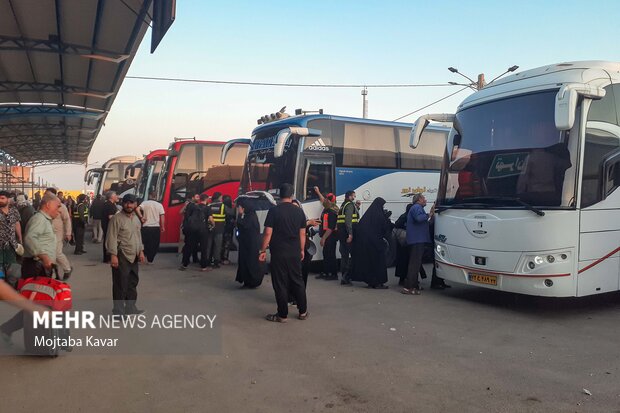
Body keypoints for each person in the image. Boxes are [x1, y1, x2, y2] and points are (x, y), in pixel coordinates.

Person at [0, 193, 61, 343]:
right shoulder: (39, 220)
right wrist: (43, 256)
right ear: (48, 205)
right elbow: (30, 238)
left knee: (38, 303)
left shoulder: (43, 220)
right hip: (35, 267)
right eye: (57, 206)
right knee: (38, 303)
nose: (59, 210)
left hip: (40, 266)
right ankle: (8, 329)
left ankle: (10, 329)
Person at [259, 183, 308, 323]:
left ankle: (282, 315)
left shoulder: (274, 211)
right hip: (294, 252)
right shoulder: (299, 212)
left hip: (279, 252)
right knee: (298, 281)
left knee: (280, 283)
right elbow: (302, 234)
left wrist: (262, 250)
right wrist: (302, 250)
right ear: (292, 195)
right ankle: (303, 312)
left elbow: (268, 233)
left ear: (279, 195)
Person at [105, 194, 145, 316]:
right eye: (127, 203)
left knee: (132, 283)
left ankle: (130, 308)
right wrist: (113, 255)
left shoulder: (136, 219)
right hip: (121, 255)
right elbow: (111, 237)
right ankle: (118, 312)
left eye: (131, 203)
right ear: (123, 204)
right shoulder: (116, 219)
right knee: (120, 284)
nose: (129, 205)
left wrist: (141, 251)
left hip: (134, 256)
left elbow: (138, 237)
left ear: (135, 204)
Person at [350, 197, 390, 289]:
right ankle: (378, 282)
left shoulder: (368, 215)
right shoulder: (379, 215)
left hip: (367, 243)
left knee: (369, 263)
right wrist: (386, 219)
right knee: (379, 263)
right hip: (377, 244)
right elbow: (383, 229)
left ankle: (371, 281)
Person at [403, 194, 433, 295]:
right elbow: (419, 219)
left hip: (416, 239)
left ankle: (414, 286)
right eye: (424, 198)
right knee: (414, 264)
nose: (425, 200)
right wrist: (429, 215)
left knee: (415, 264)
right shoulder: (416, 207)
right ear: (419, 200)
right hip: (417, 240)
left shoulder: (416, 207)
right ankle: (409, 287)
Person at [44, 188, 72, 279]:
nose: (45, 195)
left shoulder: (61, 206)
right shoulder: (44, 205)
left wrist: (68, 233)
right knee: (49, 253)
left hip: (58, 232)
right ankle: (53, 274)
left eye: (48, 194)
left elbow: (67, 219)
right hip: (47, 232)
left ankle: (67, 268)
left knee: (57, 252)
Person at [235, 199, 263, 288]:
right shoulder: (250, 216)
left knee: (249, 263)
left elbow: (243, 226)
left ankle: (251, 281)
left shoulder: (250, 217)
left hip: (250, 245)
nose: (238, 209)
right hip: (247, 245)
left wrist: (239, 217)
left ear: (244, 208)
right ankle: (247, 280)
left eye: (239, 207)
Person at [313, 187, 339, 281]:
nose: (325, 199)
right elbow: (322, 199)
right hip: (328, 237)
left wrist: (323, 238)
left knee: (331, 255)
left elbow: (330, 228)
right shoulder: (328, 207)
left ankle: (333, 274)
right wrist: (318, 192)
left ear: (330, 201)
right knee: (326, 254)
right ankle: (326, 272)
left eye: (327, 199)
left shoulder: (332, 211)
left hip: (330, 237)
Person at [179, 194, 208, 271]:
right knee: (203, 248)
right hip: (201, 229)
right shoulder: (203, 208)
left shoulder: (190, 206)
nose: (197, 198)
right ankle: (203, 266)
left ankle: (185, 264)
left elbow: (184, 215)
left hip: (191, 229)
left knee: (189, 246)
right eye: (196, 197)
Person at [206, 192, 234, 268]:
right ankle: (216, 262)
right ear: (219, 198)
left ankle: (207, 260)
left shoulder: (209, 205)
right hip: (219, 229)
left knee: (208, 245)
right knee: (217, 246)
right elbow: (231, 213)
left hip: (210, 228)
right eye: (221, 197)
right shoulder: (223, 206)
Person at [337, 190, 359, 285]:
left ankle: (344, 276)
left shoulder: (343, 205)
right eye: (353, 196)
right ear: (349, 196)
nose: (354, 198)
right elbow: (348, 220)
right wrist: (350, 234)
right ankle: (346, 277)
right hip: (347, 234)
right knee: (349, 256)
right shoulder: (349, 205)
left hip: (342, 233)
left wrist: (357, 207)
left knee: (344, 255)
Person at [0, 191, 22, 284]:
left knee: (12, 270)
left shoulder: (14, 211)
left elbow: (17, 224)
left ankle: (11, 288)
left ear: (8, 199)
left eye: (2, 198)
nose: (0, 200)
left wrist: (20, 238)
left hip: (11, 245)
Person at [137, 192, 165, 264]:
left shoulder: (145, 203)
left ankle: (142, 256)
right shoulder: (159, 205)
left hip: (145, 227)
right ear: (156, 197)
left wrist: (141, 217)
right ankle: (150, 259)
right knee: (154, 244)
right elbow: (162, 216)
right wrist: (163, 226)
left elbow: (137, 209)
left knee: (144, 242)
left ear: (149, 196)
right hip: (155, 227)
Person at [394, 204, 413, 286]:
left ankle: (403, 278)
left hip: (401, 243)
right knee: (407, 261)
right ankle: (405, 279)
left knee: (403, 261)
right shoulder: (408, 217)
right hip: (406, 242)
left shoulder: (403, 215)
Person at [101, 191, 119, 263]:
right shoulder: (110, 205)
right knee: (109, 241)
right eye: (115, 195)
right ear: (111, 197)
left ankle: (107, 257)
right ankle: (108, 258)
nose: (117, 197)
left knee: (107, 241)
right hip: (109, 226)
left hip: (106, 225)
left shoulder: (107, 204)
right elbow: (110, 216)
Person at [220, 195, 235, 265]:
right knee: (227, 244)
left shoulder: (222, 207)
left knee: (220, 243)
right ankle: (224, 258)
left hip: (221, 228)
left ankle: (218, 257)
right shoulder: (231, 209)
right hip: (228, 229)